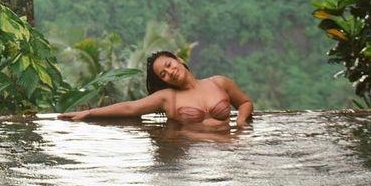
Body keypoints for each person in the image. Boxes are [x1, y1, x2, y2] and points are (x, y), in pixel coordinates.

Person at [57, 50, 254, 130]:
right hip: (196, 158)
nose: (170, 72)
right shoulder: (167, 97)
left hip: (230, 148)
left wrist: (241, 120)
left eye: (169, 65)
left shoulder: (218, 83)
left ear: (179, 60)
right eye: (163, 74)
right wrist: (89, 112)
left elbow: (245, 102)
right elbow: (130, 108)